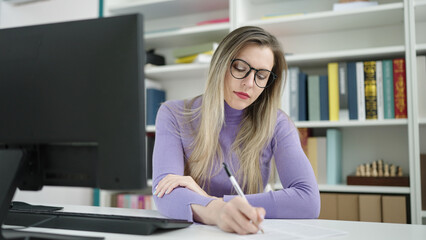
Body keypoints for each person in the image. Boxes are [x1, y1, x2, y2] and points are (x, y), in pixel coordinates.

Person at [152, 26, 320, 235]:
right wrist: (220, 211)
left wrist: (214, 203)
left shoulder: (277, 123)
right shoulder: (174, 114)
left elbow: (308, 201)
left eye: (262, 75)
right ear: (220, 64)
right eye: (240, 68)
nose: (249, 83)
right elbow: (164, 193)